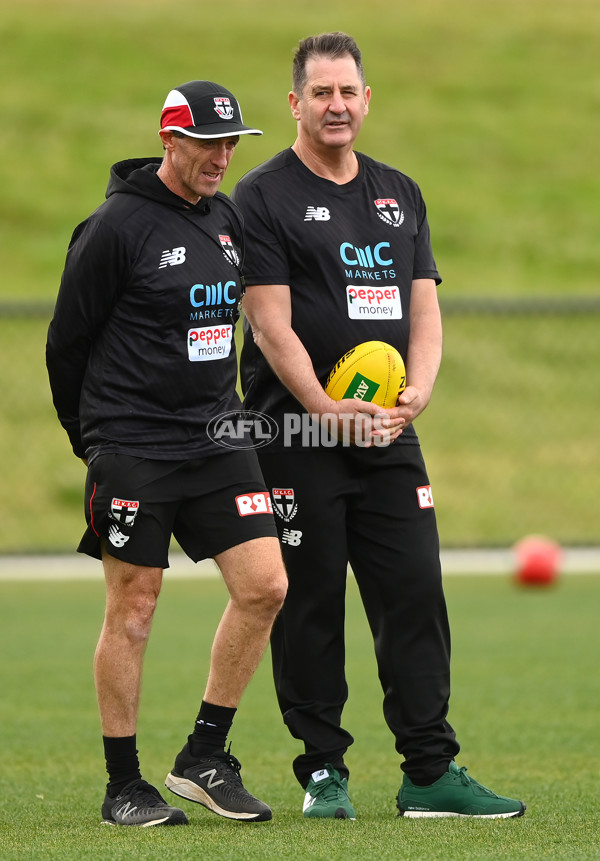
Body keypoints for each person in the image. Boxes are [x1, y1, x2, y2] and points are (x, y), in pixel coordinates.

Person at [232, 33, 526, 820]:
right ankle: (323, 770)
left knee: (414, 593)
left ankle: (430, 771)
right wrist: (326, 410)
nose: (336, 106)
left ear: (367, 101)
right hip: (299, 437)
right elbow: (269, 325)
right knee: (311, 604)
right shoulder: (261, 197)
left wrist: (417, 390)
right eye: (321, 93)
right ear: (295, 104)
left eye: (348, 92)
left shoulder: (400, 192)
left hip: (390, 434)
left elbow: (423, 306)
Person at [46, 80, 288, 827]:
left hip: (217, 440)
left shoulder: (226, 219)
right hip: (134, 446)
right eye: (208, 142)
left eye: (230, 143)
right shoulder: (115, 228)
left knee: (266, 585)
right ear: (168, 140)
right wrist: (95, 442)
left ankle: (205, 756)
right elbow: (67, 344)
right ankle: (125, 784)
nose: (221, 156)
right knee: (136, 609)